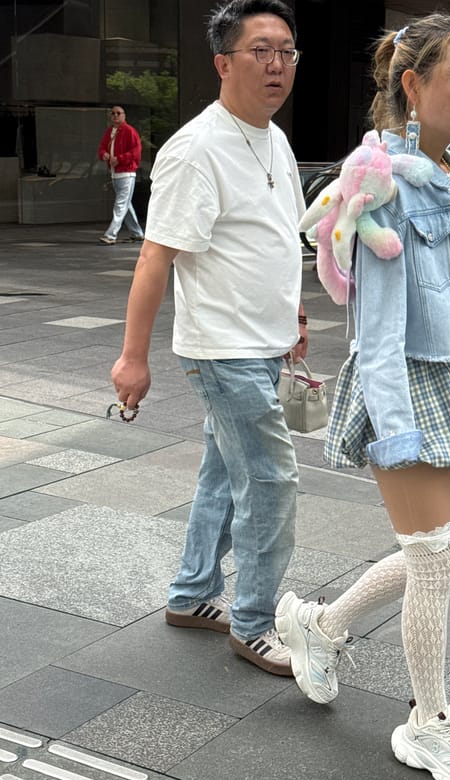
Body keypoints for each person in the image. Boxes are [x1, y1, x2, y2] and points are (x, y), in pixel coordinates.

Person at [275, 13, 450, 780]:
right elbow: (380, 326)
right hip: (405, 383)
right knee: (435, 559)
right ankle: (427, 723)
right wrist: (392, 427)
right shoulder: (381, 183)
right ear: (412, 85)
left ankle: (320, 628)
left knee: (442, 550)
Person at [110, 0, 307, 676]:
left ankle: (193, 595)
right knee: (273, 480)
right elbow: (154, 257)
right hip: (221, 351)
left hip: (259, 342)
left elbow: (272, 242)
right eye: (261, 50)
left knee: (225, 473)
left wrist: (293, 319)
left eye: (286, 49)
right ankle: (253, 623)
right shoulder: (197, 149)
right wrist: (133, 358)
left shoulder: (274, 136)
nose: (278, 63)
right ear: (224, 62)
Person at [98, 106, 145, 244]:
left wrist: (119, 158)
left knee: (120, 204)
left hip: (126, 173)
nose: (115, 116)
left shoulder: (129, 131)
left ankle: (111, 235)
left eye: (118, 113)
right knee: (125, 204)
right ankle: (137, 233)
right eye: (113, 113)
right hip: (115, 174)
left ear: (124, 116)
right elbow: (101, 148)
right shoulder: (110, 131)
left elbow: (136, 152)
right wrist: (104, 155)